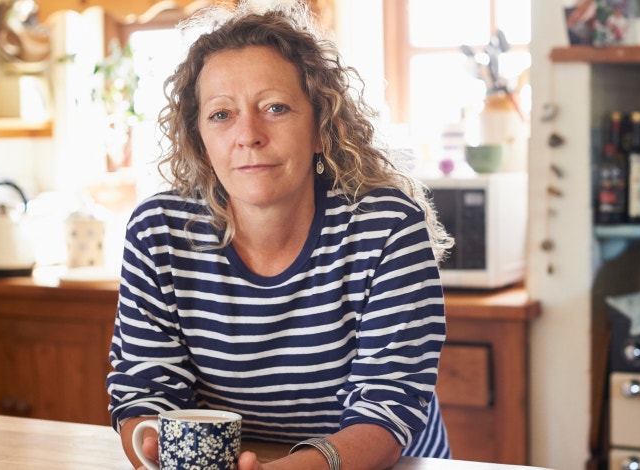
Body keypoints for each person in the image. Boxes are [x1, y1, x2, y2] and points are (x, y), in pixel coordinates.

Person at [105, 2, 454, 470]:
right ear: (201, 143)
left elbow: (385, 413)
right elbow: (144, 395)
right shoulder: (158, 233)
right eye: (221, 115)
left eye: (275, 107)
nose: (248, 135)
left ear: (320, 128)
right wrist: (159, 455)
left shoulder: (387, 227)